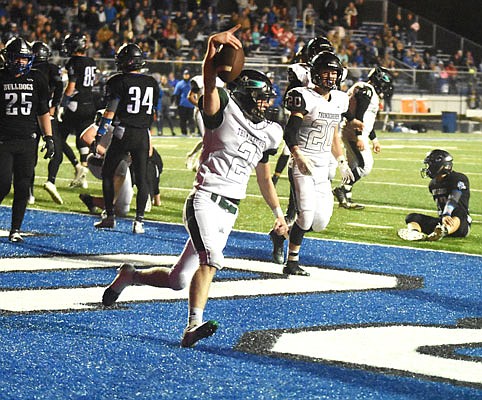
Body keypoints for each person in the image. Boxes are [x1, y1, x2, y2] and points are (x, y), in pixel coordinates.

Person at [101, 25, 288, 348]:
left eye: (267, 99)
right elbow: (212, 82)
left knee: (177, 280)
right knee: (211, 261)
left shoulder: (270, 131)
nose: (265, 104)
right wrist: (210, 52)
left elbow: (263, 175)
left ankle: (130, 275)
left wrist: (279, 213)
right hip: (204, 199)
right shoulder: (222, 111)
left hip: (230, 209)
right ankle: (192, 325)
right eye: (260, 98)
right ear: (245, 95)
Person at [270, 51, 361, 274]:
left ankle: (281, 232)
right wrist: (298, 155)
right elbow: (290, 132)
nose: (330, 77)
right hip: (303, 165)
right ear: (315, 74)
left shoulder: (339, 100)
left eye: (334, 73)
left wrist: (341, 160)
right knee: (306, 214)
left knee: (319, 223)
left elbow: (332, 135)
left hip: (323, 168)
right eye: (326, 72)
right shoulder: (303, 96)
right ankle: (292, 262)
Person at [93, 43, 159, 234]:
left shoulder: (117, 81)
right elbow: (153, 113)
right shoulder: (151, 82)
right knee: (142, 178)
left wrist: (100, 133)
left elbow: (110, 111)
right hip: (143, 133)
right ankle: (139, 221)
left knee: (107, 172)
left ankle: (110, 216)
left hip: (123, 132)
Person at [0, 37, 54, 243]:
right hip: (3, 140)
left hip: (28, 140)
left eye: (24, 59)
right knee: (3, 184)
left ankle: (15, 229)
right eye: (17, 58)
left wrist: (49, 137)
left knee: (23, 186)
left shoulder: (37, 78)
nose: (21, 63)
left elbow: (42, 111)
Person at [79, 110, 163, 216]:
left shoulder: (140, 121)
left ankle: (92, 201)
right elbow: (86, 136)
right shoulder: (112, 113)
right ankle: (108, 212)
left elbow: (149, 151)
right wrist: (107, 154)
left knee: (122, 210)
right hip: (99, 160)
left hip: (123, 163)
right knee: (121, 167)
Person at [332, 66, 393, 210]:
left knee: (354, 166)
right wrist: (359, 136)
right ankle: (341, 189)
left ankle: (346, 198)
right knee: (365, 166)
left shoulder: (364, 88)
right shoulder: (367, 90)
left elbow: (366, 118)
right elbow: (359, 114)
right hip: (354, 132)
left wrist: (375, 139)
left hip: (353, 131)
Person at [397, 150, 471, 242]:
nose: (428, 168)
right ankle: (414, 233)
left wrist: (446, 214)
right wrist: (443, 218)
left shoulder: (458, 178)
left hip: (460, 225)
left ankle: (443, 231)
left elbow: (454, 198)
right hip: (442, 222)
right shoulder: (433, 184)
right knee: (412, 217)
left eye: (430, 165)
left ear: (439, 166)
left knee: (459, 214)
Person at [58, 33, 97, 189]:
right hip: (89, 103)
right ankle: (83, 176)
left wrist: (62, 104)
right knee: (82, 139)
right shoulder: (92, 61)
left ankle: (77, 166)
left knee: (59, 139)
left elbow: (71, 87)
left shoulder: (74, 62)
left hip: (76, 104)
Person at [29, 41, 64, 205]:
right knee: (56, 149)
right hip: (46, 114)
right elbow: (60, 85)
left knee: (30, 155)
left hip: (29, 114)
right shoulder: (51, 68)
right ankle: (51, 180)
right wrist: (54, 106)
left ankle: (29, 192)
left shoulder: (28, 69)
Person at [185, 73, 224, 171]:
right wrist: (200, 106)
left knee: (209, 138)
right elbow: (190, 96)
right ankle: (198, 163)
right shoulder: (199, 80)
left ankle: (192, 156)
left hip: (214, 113)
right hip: (201, 113)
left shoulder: (220, 81)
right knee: (207, 138)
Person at [173, 69, 195, 136]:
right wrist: (177, 104)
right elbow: (176, 94)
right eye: (185, 74)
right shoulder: (180, 83)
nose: (186, 76)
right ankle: (184, 132)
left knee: (191, 119)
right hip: (182, 104)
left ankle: (192, 132)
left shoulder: (192, 83)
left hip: (191, 104)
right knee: (183, 119)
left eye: (187, 74)